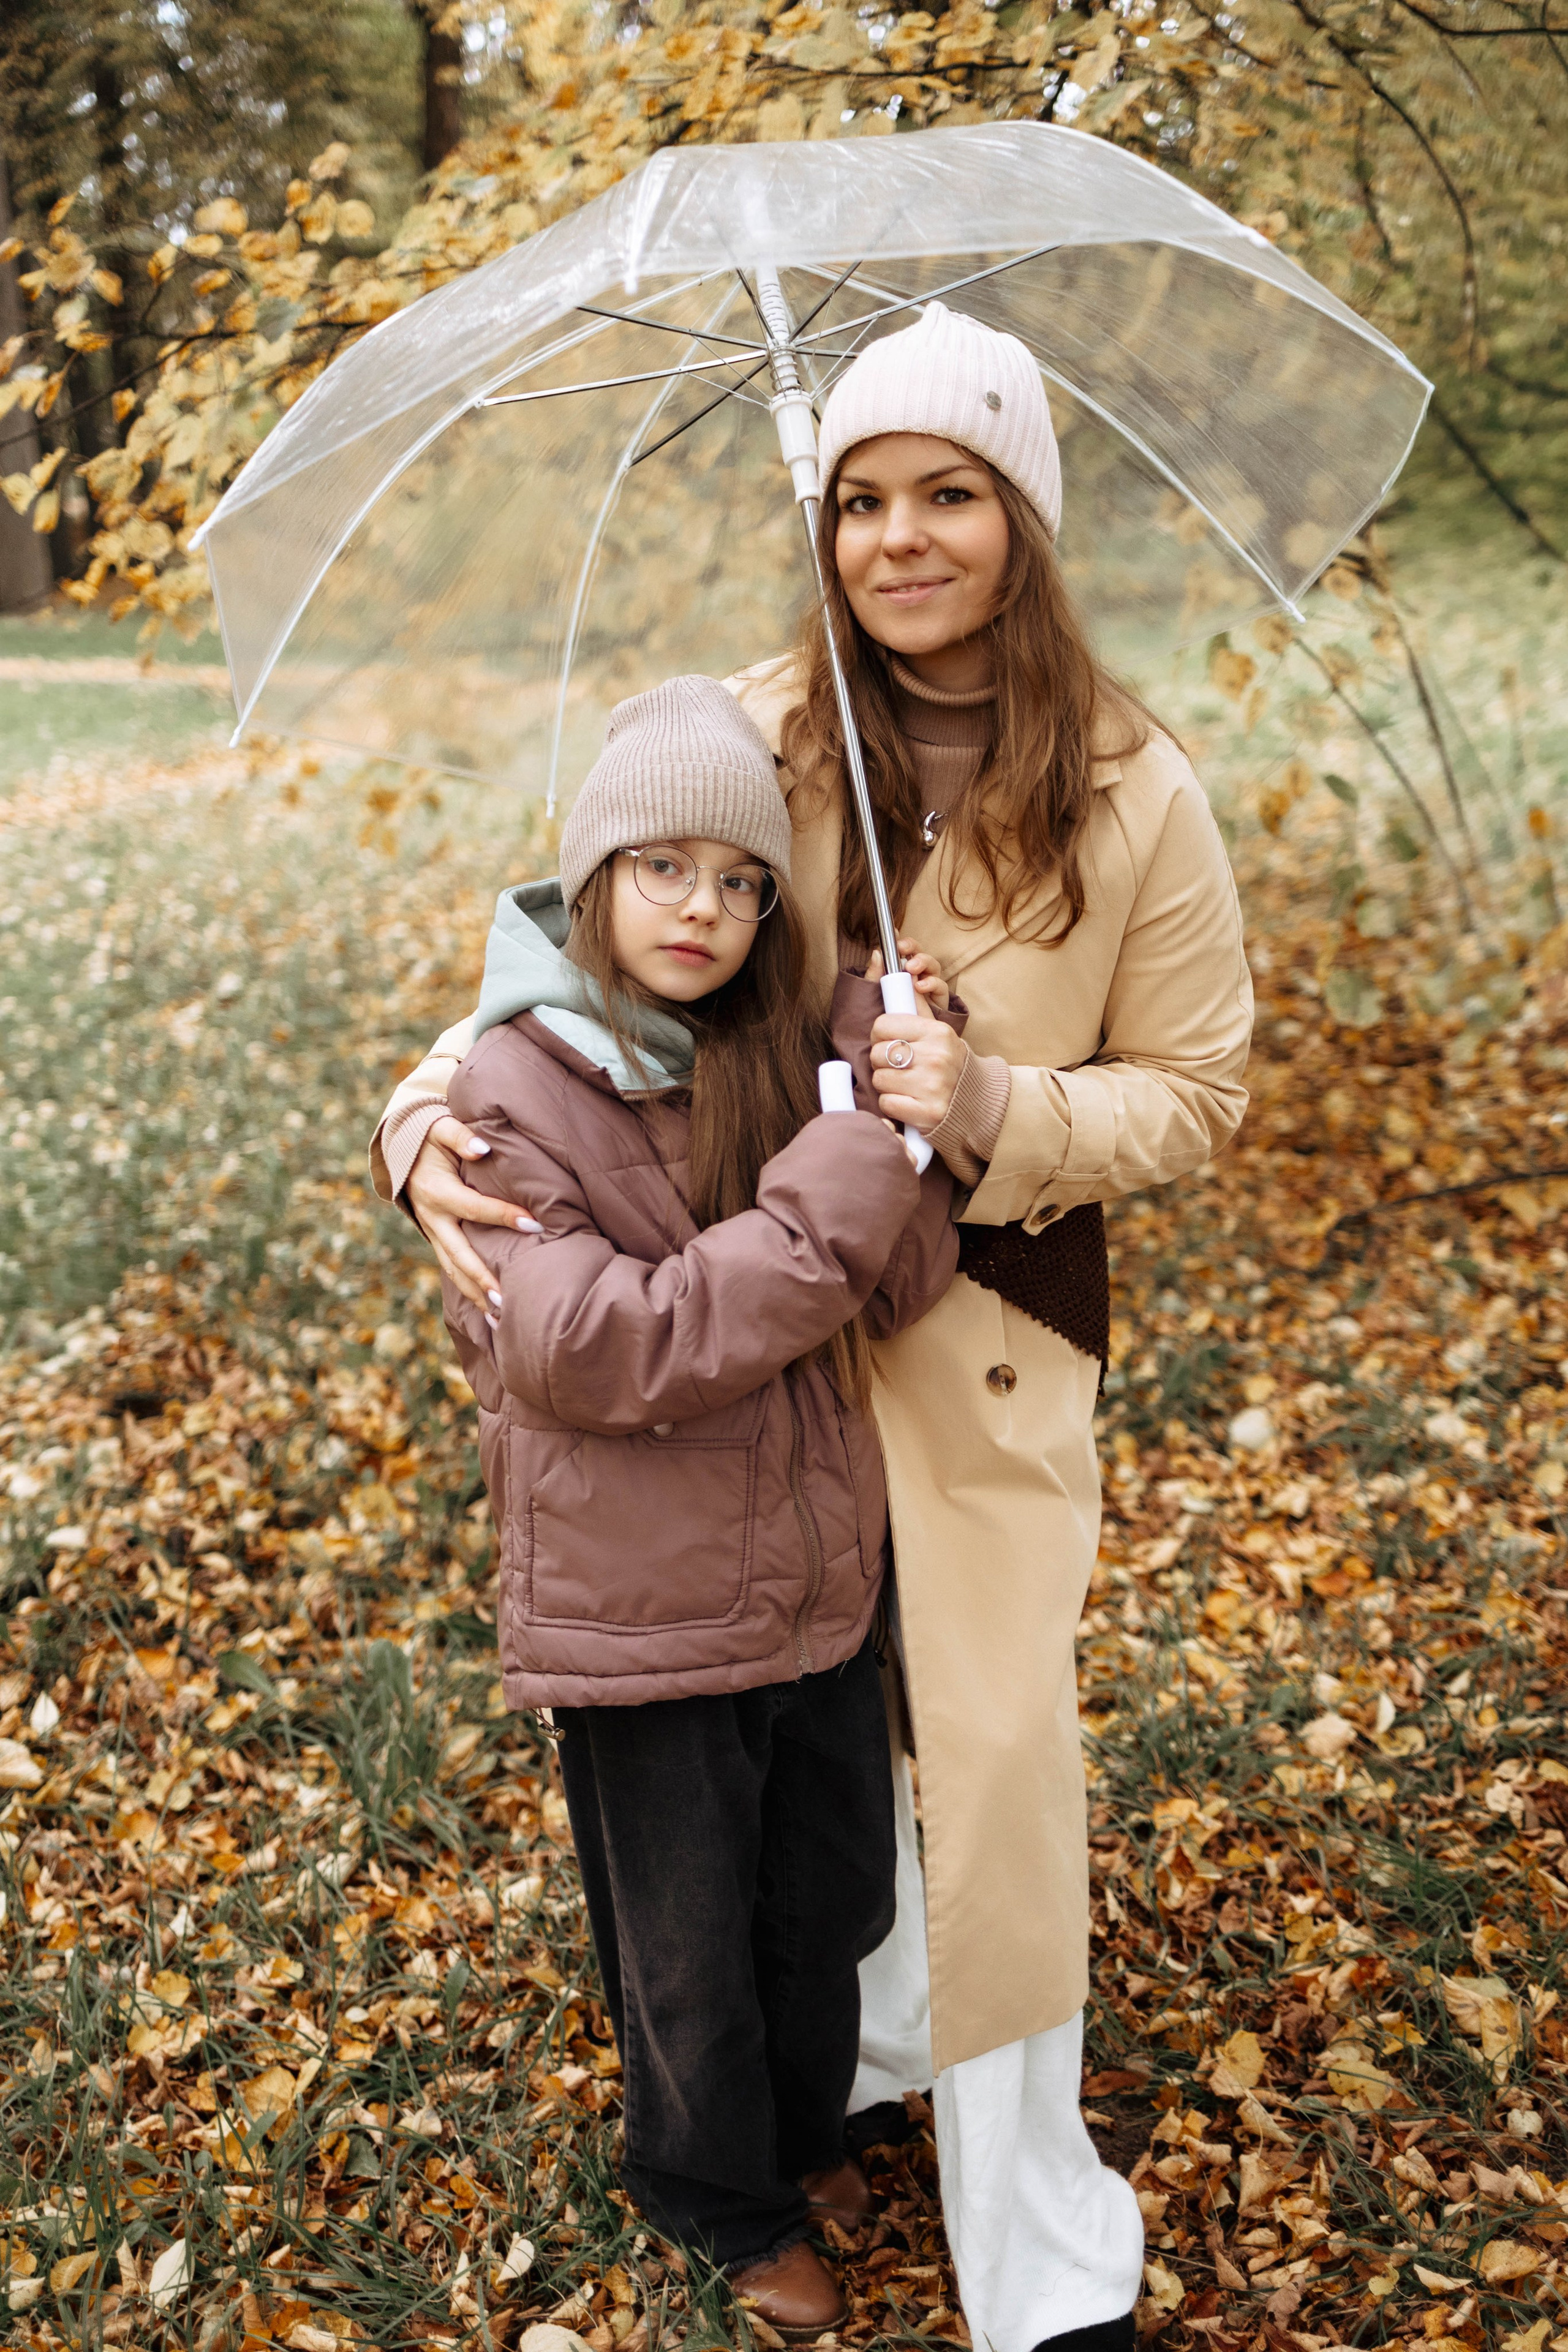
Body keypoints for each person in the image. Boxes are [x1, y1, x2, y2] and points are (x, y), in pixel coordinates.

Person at [374, 304, 1254, 2352]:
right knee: (796, 1773)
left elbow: (1197, 1097)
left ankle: (1033, 2227)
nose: (901, 537)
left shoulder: (1137, 792)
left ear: (1024, 521)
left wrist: (1001, 1111)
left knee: (1002, 1769)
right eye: (862, 499)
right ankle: (829, 2080)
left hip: (981, 1330)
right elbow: (570, 960)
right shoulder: (758, 732)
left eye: (951, 493)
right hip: (739, 1341)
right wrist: (413, 1120)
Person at [438, 673, 960, 2339]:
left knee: (830, 1900)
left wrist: (898, 1087)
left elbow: (905, 1281)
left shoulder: (774, 1046)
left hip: (811, 1578)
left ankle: (803, 2132)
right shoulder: (507, 1091)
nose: (708, 911)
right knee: (690, 1943)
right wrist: (830, 1201)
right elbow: (602, 1347)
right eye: (667, 868)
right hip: (639, 1606)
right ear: (594, 873)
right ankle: (713, 2189)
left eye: (742, 883)